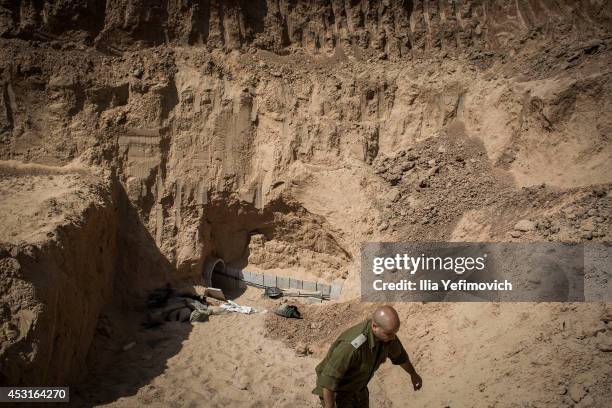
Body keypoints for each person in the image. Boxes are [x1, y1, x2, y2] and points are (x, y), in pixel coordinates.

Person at [312, 305, 422, 407]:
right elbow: (328, 380)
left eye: (394, 333)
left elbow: (400, 356)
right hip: (336, 393)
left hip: (358, 389)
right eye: (389, 334)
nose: (393, 338)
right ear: (375, 326)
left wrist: (413, 374)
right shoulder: (352, 346)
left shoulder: (387, 336)